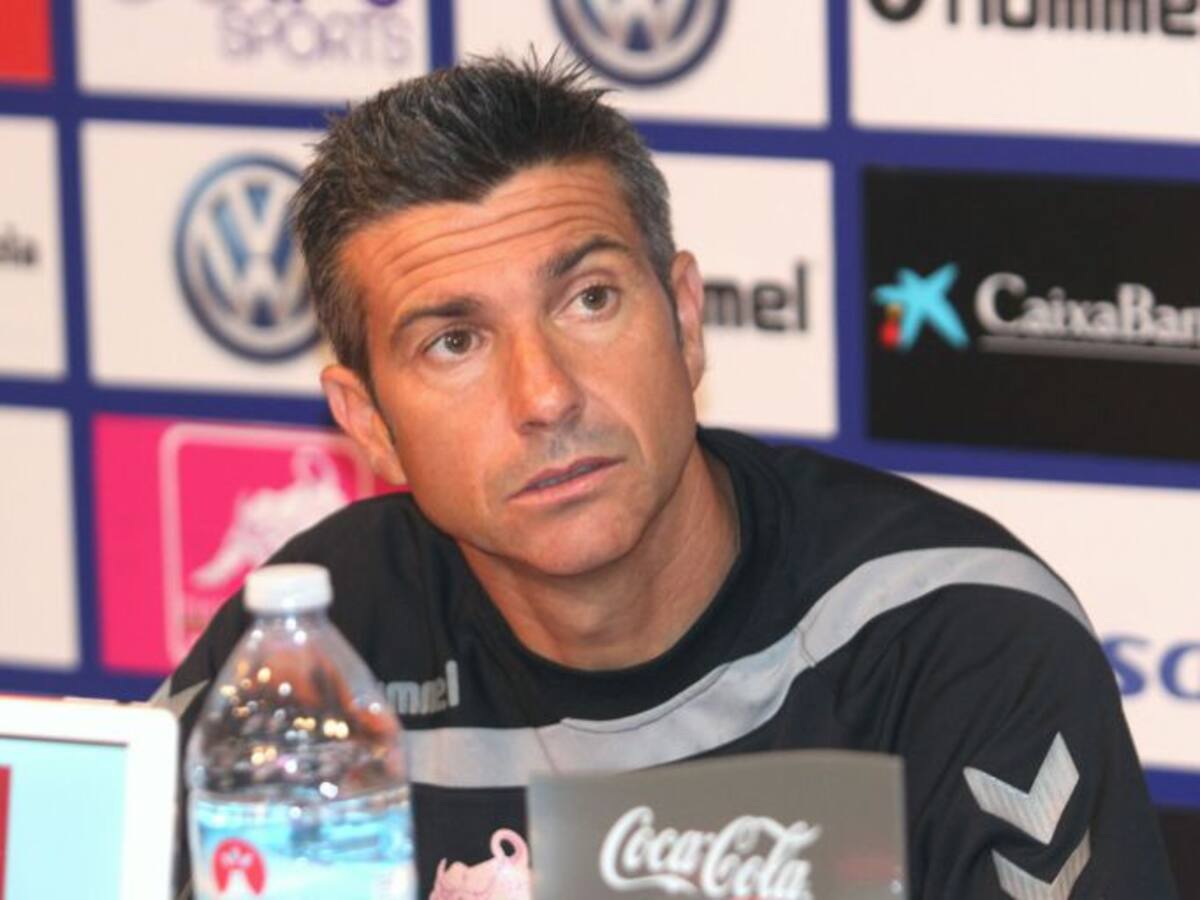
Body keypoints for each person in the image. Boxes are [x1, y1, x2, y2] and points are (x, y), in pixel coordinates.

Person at [156, 56, 1177, 898]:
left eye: (590, 299)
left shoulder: (952, 634)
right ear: (370, 423)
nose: (545, 395)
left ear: (686, 320)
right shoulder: (315, 653)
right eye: (455, 342)